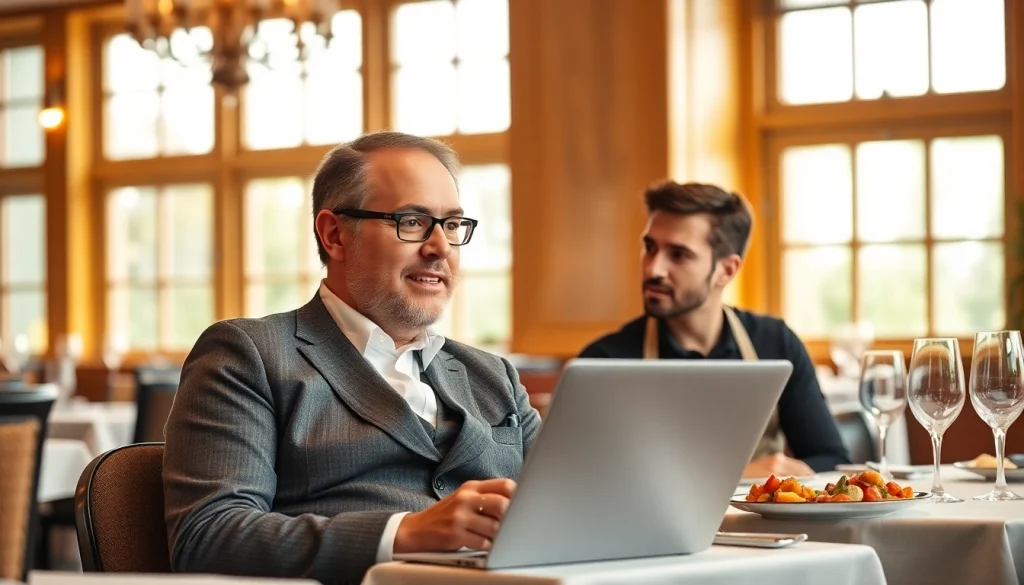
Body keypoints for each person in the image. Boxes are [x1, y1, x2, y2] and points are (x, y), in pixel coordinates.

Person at [163, 131, 541, 585]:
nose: (440, 247)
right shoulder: (249, 355)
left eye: (453, 225)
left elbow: (571, 507)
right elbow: (208, 536)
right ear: (334, 234)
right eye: (413, 221)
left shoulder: (493, 375)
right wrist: (404, 533)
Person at [578, 181, 850, 477]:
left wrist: (785, 472)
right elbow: (586, 476)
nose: (653, 269)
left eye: (678, 254)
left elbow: (831, 459)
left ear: (727, 270)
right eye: (650, 247)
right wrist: (738, 475)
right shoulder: (605, 359)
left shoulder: (774, 342)